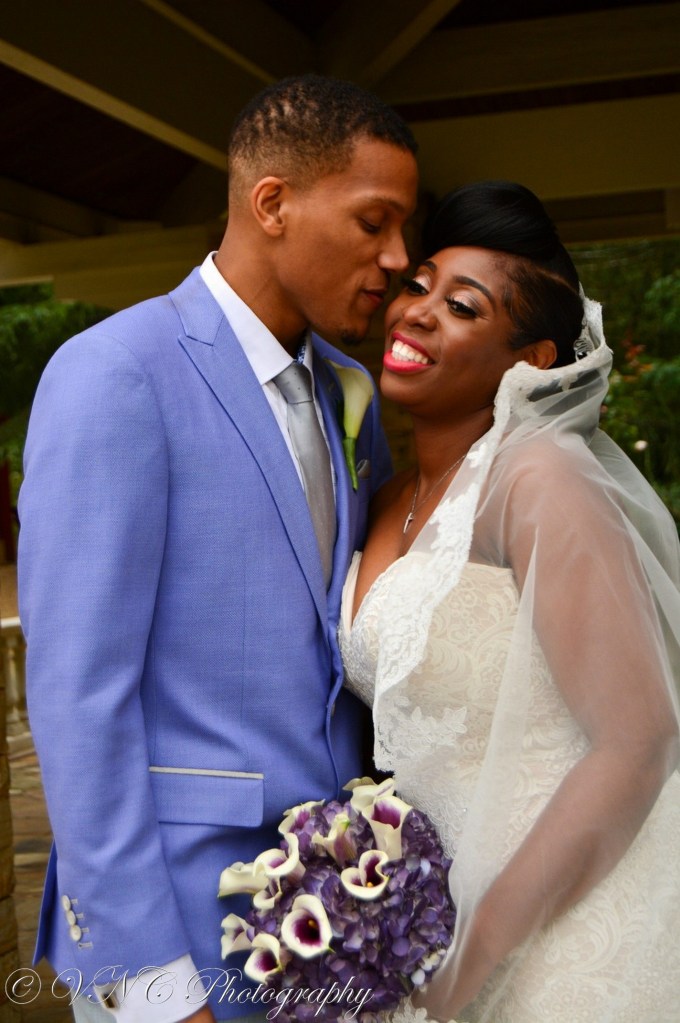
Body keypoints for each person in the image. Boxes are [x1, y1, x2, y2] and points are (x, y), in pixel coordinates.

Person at [18, 74, 418, 1023]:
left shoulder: (350, 390)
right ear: (271, 203)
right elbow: (79, 698)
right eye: (374, 222)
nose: (399, 258)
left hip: (329, 922)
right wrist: (151, 983)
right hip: (180, 922)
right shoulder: (115, 373)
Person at [339, 181, 680, 1023]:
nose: (417, 312)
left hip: (561, 935)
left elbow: (639, 741)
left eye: (462, 307)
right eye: (418, 286)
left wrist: (474, 953)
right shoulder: (385, 499)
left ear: (529, 360)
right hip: (428, 923)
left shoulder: (539, 477)